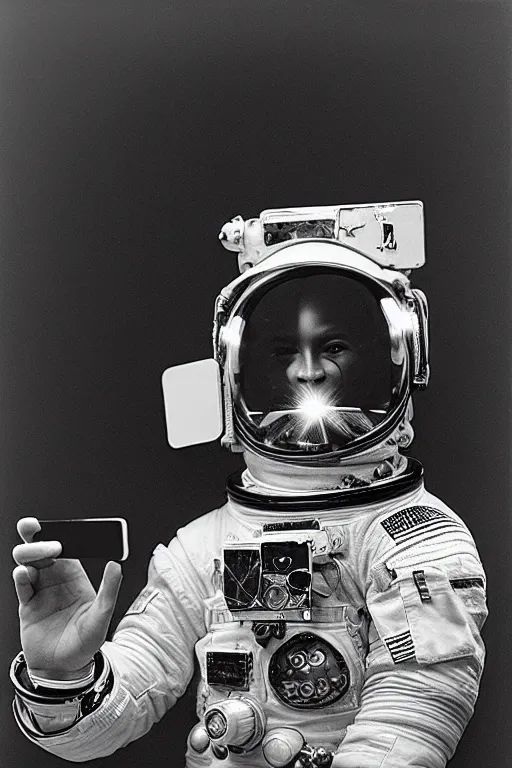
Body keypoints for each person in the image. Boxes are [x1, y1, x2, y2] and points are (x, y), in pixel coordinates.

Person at [11, 201, 487, 768]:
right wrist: (62, 674)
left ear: (396, 358)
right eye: (284, 351)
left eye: (334, 347)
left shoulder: (414, 542)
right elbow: (111, 716)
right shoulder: (201, 548)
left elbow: (411, 720)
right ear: (234, 373)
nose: (307, 372)